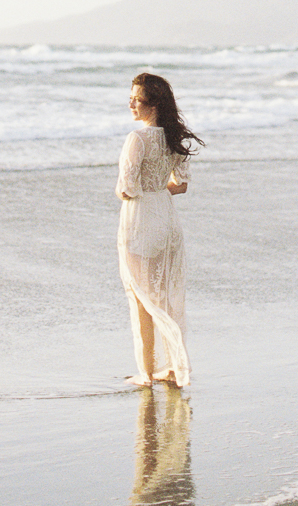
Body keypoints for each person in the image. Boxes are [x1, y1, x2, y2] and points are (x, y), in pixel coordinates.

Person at [116, 72, 204, 387]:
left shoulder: (136, 139)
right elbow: (180, 186)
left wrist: (133, 190)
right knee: (165, 298)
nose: (130, 105)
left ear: (152, 104)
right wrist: (157, 188)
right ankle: (172, 367)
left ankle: (146, 372)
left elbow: (126, 189)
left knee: (140, 298)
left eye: (136, 99)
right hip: (166, 220)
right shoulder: (172, 137)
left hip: (140, 221)